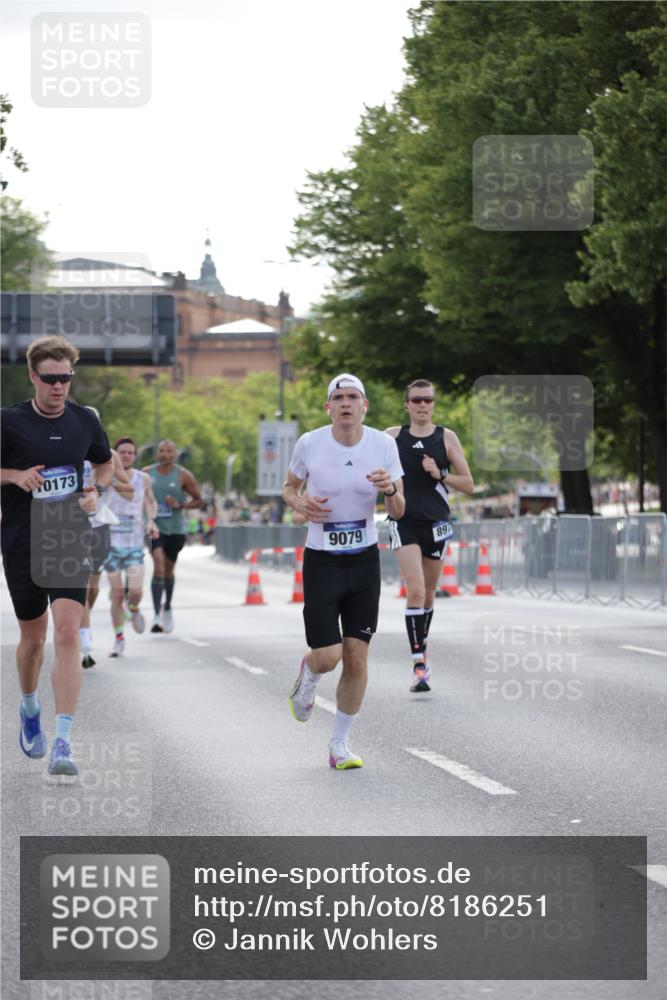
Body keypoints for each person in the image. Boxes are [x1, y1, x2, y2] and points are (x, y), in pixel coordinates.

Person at [0, 335, 113, 775]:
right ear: (33, 377)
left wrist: (95, 491)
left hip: (68, 537)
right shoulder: (8, 422)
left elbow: (104, 464)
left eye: (66, 378)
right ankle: (30, 708)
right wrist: (14, 476)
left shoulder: (85, 420)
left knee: (68, 635)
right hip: (23, 540)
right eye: (50, 379)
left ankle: (63, 741)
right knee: (34, 641)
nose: (59, 387)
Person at [282, 373, 405, 770]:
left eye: (354, 396)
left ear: (365, 405)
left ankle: (339, 744)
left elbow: (399, 509)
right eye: (339, 397)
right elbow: (288, 487)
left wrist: (389, 491)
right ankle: (309, 671)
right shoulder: (310, 443)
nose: (346, 403)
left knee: (356, 656)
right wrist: (299, 504)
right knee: (329, 655)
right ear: (329, 407)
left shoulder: (383, 445)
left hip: (364, 559)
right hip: (322, 560)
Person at [385, 379, 474, 692]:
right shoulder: (392, 437)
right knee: (416, 590)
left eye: (428, 400)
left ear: (434, 404)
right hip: (404, 521)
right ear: (407, 404)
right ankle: (419, 664)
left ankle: (422, 648)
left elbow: (469, 483)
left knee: (429, 592)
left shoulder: (446, 437)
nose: (423, 405)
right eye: (417, 400)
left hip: (437, 523)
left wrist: (441, 474)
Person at [80, 440, 134, 669]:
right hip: (74, 528)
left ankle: (81, 619)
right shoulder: (65, 449)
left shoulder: (108, 455)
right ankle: (85, 643)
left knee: (92, 586)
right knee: (80, 584)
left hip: (99, 527)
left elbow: (129, 491)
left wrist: (106, 480)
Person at [104, 437, 159, 656]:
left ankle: (134, 608)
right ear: (116, 455)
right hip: (110, 545)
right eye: (122, 452)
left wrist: (152, 520)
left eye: (130, 452)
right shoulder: (105, 475)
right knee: (117, 594)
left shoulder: (143, 479)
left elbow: (151, 501)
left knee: (135, 591)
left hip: (134, 544)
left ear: (135, 456)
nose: (126, 455)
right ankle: (119, 639)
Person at [143, 440, 203, 633]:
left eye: (169, 451)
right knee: (158, 565)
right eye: (161, 451)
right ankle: (156, 615)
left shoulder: (184, 475)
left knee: (168, 570)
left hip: (175, 530)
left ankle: (167, 606)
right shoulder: (146, 473)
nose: (164, 455)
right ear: (157, 453)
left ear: (175, 454)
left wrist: (180, 505)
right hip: (154, 528)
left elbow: (199, 500)